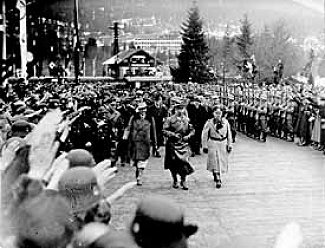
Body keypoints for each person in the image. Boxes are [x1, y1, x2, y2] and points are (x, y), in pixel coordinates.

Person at [163, 98, 195, 190]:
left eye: (182, 108)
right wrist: (172, 134)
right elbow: (164, 130)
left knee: (184, 163)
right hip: (173, 144)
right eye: (178, 109)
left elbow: (192, 130)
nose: (180, 111)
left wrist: (188, 136)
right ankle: (175, 180)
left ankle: (183, 180)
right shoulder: (169, 119)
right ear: (175, 109)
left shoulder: (186, 120)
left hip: (183, 144)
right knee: (173, 164)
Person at [123, 102, 157, 186]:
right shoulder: (134, 118)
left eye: (144, 109)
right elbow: (128, 127)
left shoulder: (150, 118)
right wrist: (125, 136)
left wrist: (155, 142)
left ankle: (139, 177)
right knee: (136, 160)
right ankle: (138, 173)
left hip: (145, 142)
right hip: (135, 142)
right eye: (141, 110)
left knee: (143, 160)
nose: (142, 111)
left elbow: (153, 130)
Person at [201, 105, 233, 188]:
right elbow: (204, 135)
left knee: (221, 161)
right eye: (216, 113)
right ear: (213, 113)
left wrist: (229, 144)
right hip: (213, 143)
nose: (218, 115)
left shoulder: (225, 122)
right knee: (214, 160)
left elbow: (229, 134)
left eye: (219, 113)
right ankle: (217, 177)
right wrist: (204, 146)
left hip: (222, 143)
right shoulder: (209, 122)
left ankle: (217, 174)